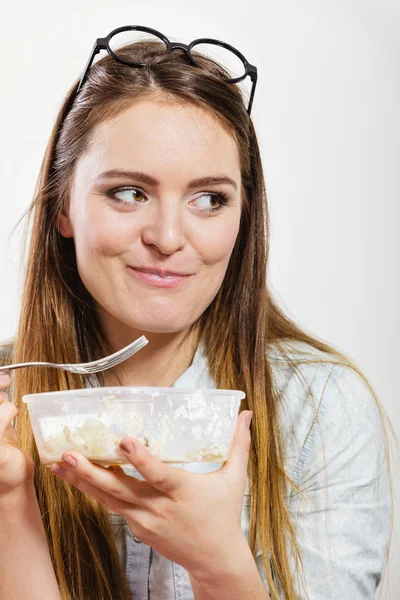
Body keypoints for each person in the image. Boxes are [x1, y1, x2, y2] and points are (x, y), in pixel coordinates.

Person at [0, 25, 394, 600]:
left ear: (242, 219)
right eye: (128, 192)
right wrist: (12, 499)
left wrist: (217, 565)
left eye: (210, 199)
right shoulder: (11, 402)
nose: (166, 236)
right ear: (63, 207)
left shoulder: (318, 412)